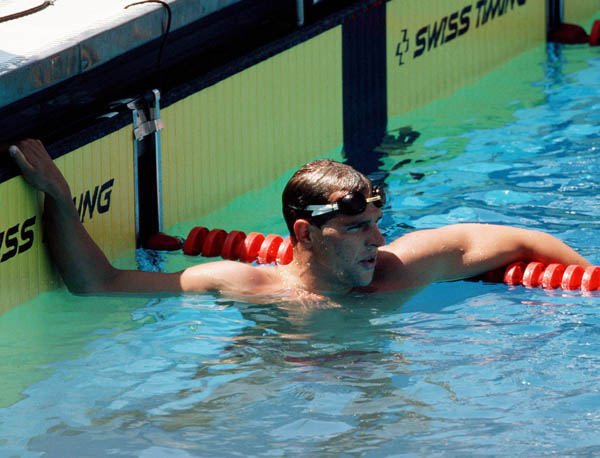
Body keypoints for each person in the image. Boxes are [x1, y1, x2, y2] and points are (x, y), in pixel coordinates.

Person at [6, 139, 592, 302]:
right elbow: (98, 283)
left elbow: (524, 239)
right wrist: (58, 195)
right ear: (304, 234)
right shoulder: (248, 285)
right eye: (358, 229)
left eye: (376, 224)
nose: (378, 240)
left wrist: (588, 281)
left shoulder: (401, 269)